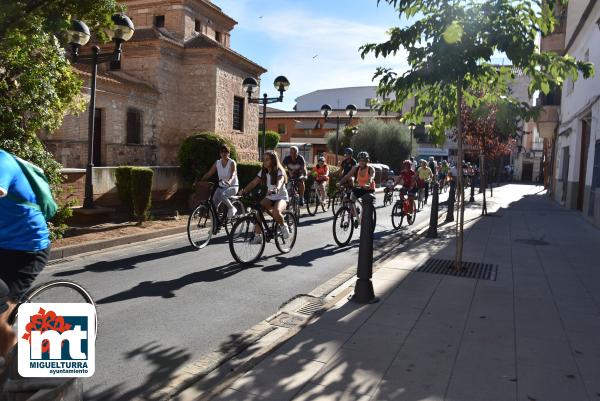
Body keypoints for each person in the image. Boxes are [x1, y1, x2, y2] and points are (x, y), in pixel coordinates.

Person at [0, 149, 51, 363]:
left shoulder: (3, 161)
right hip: (3, 243)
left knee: (0, 314)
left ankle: (13, 372)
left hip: (27, 248)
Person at [239, 151, 290, 242]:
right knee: (259, 211)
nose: (265, 162)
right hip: (270, 197)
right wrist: (244, 191)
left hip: (281, 197)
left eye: (267, 159)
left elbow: (281, 180)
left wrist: (276, 189)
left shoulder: (279, 170)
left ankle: (283, 226)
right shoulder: (263, 171)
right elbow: (254, 182)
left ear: (273, 160)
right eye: (264, 160)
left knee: (276, 211)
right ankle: (258, 236)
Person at [200, 145, 239, 218]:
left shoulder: (232, 162)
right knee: (212, 206)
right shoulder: (217, 163)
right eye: (222, 152)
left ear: (229, 153)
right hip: (221, 186)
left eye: (226, 152)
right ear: (220, 154)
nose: (224, 153)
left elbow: (233, 174)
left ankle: (232, 208)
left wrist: (229, 181)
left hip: (233, 186)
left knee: (222, 195)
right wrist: (201, 180)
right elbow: (209, 173)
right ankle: (214, 227)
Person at [339, 151, 375, 226]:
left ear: (367, 161)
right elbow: (347, 176)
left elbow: (372, 177)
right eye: (360, 160)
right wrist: (340, 182)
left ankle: (363, 220)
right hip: (361, 188)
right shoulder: (356, 168)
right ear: (358, 161)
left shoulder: (370, 168)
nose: (362, 162)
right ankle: (354, 213)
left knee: (365, 205)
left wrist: (368, 183)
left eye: (364, 160)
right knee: (348, 197)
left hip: (369, 189)